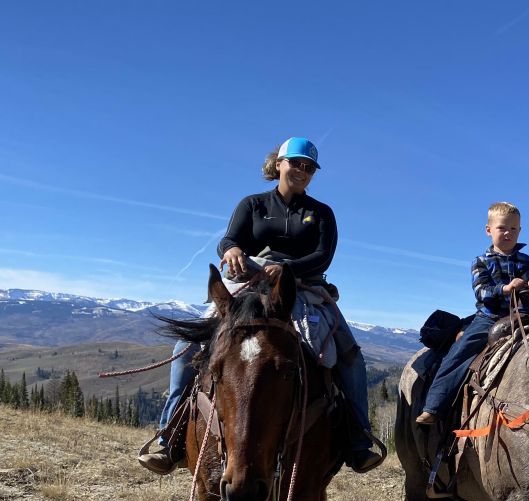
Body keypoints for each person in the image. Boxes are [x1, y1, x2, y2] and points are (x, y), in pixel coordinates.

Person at [139, 137, 383, 474]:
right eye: (296, 163)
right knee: (187, 344)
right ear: (279, 164)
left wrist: (288, 269)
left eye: (309, 167)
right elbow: (229, 239)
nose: (302, 170)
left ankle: (358, 439)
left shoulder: (322, 213)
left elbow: (323, 256)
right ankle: (170, 437)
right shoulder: (252, 204)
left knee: (349, 353)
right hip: (248, 283)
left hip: (303, 289)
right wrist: (231, 251)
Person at [416, 201, 529, 425]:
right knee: (460, 352)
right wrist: (506, 288)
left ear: (520, 231)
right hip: (490, 317)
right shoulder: (481, 261)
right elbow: (481, 293)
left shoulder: (527, 261)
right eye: (502, 228)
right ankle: (434, 406)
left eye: (513, 229)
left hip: (525, 316)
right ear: (489, 230)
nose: (508, 233)